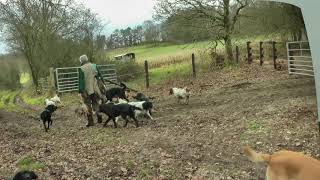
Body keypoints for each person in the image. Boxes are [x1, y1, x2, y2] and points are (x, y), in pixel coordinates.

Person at [78, 54, 106, 127]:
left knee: (87, 105)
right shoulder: (94, 65)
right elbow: (100, 76)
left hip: (86, 90)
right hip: (95, 88)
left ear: (81, 61)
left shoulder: (81, 68)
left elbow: (81, 81)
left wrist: (80, 91)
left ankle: (90, 122)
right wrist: (103, 84)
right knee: (96, 102)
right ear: (87, 59)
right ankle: (98, 114)